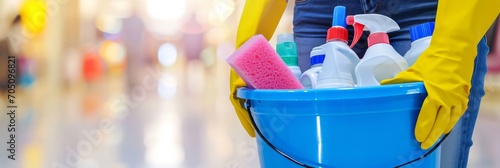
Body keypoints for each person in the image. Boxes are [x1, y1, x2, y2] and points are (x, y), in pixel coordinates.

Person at [229, 0, 499, 167]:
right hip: (318, 11)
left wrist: (451, 50)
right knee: (305, 149)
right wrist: (251, 36)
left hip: (429, 10)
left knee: (429, 148)